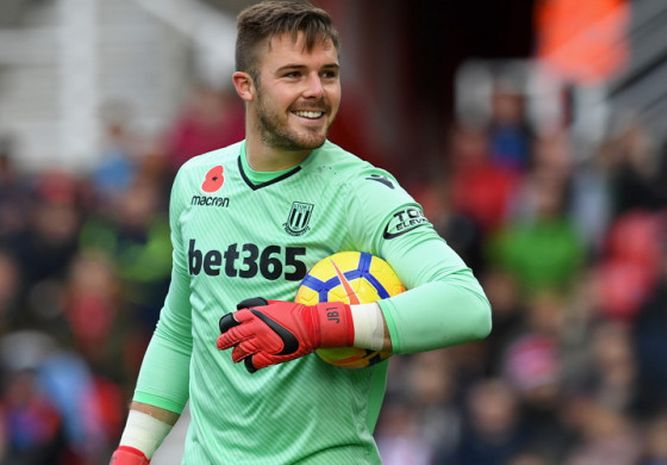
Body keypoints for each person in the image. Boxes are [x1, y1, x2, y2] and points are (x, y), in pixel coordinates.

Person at [110, 1, 491, 464]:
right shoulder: (195, 181)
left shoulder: (362, 191)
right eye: (293, 74)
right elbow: (180, 329)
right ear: (245, 86)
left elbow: (467, 305)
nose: (316, 91)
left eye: (328, 74)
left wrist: (316, 325)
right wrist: (132, 450)